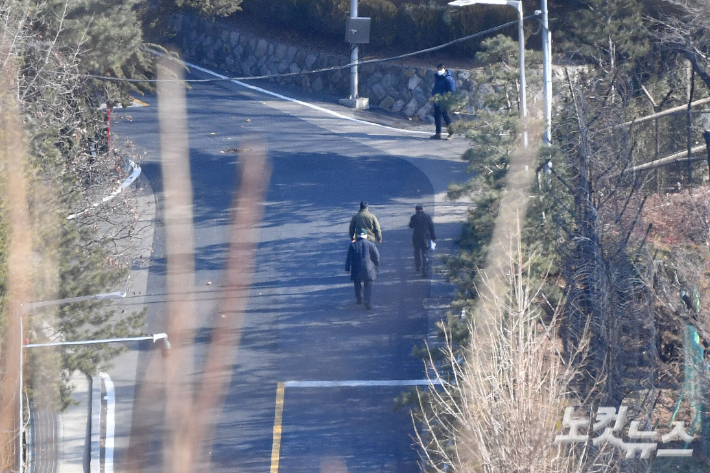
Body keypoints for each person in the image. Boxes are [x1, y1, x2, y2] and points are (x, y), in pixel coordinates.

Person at [345, 228, 380, 309]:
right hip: (369, 268)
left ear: (357, 236)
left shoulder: (353, 245)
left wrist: (347, 268)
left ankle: (359, 299)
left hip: (356, 268)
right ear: (365, 236)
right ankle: (367, 301)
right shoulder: (371, 244)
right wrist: (376, 266)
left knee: (357, 285)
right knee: (368, 285)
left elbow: (349, 258)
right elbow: (376, 257)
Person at [409, 204, 436, 277]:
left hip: (416, 238)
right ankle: (425, 271)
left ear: (416, 210)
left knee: (416, 252)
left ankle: (418, 266)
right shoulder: (427, 217)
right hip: (425, 238)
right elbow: (431, 228)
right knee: (425, 254)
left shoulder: (414, 217)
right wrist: (433, 238)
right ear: (423, 209)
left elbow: (411, 226)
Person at [430, 63, 455, 140]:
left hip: (444, 101)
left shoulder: (449, 79)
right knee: (437, 117)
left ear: (444, 69)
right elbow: (436, 88)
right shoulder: (438, 78)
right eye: (438, 69)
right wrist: (433, 95)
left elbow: (451, 91)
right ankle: (438, 134)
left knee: (446, 117)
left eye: (440, 69)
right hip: (437, 101)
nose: (439, 71)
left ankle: (451, 133)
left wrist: (447, 100)